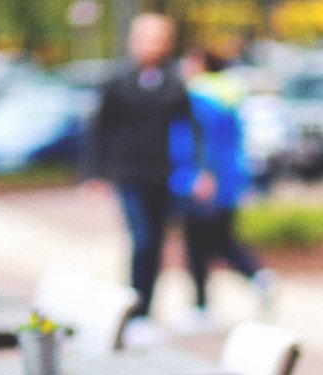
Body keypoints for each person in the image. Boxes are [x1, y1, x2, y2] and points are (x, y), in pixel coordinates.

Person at [82, 13, 207, 345]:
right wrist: (94, 173)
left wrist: (199, 170)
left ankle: (147, 310)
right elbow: (99, 129)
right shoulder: (117, 81)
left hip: (163, 176)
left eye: (159, 39)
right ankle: (135, 313)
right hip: (130, 175)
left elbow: (191, 129)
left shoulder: (174, 82)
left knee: (158, 244)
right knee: (143, 240)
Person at [169, 48, 276, 334]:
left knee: (197, 246)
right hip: (229, 181)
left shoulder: (198, 98)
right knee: (223, 241)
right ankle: (259, 278)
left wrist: (199, 176)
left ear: (201, 64)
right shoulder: (232, 93)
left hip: (203, 183)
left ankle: (202, 307)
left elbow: (197, 141)